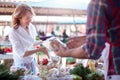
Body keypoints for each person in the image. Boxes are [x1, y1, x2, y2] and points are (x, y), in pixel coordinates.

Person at [53, 0, 120, 80]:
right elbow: (113, 33)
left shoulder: (98, 3)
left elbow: (93, 50)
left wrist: (67, 52)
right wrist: (87, 39)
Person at [9, 4, 48, 74]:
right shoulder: (13, 32)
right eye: (27, 18)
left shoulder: (31, 27)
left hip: (32, 60)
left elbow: (31, 43)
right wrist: (39, 50)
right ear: (19, 17)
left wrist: (45, 41)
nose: (30, 20)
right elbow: (21, 53)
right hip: (21, 64)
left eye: (31, 17)